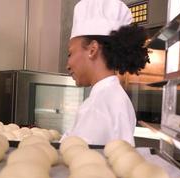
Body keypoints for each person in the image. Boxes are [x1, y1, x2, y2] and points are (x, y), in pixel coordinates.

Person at [62, 0, 149, 145]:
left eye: (70, 53)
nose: (67, 65)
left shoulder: (97, 107)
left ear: (92, 50)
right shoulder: (114, 97)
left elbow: (80, 159)